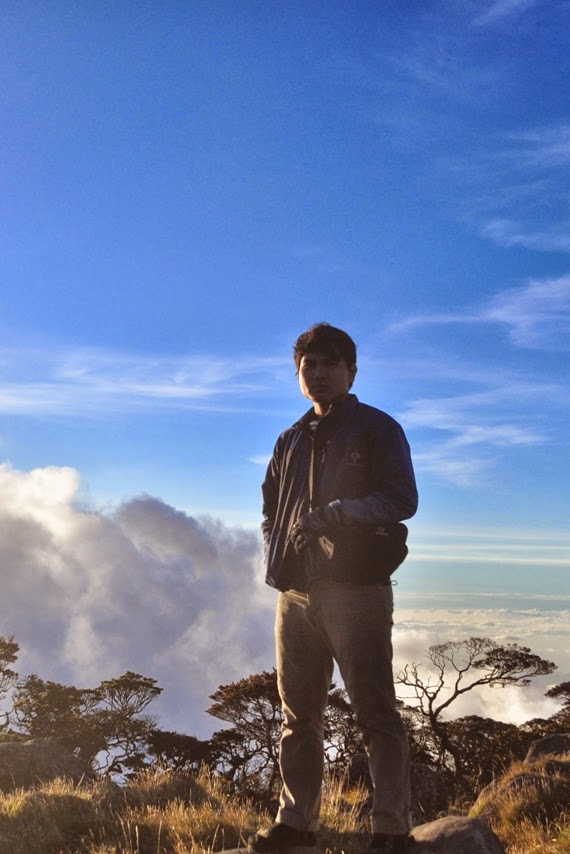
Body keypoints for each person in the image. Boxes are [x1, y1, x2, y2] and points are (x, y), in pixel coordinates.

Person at [251, 322, 418, 853]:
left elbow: (401, 500)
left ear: (351, 370)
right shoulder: (290, 440)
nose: (318, 374)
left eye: (329, 364)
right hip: (295, 595)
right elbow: (269, 511)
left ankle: (391, 829)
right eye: (309, 366)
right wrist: (274, 557)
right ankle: (296, 823)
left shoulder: (377, 429)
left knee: (375, 713)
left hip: (357, 589)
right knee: (298, 716)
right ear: (299, 374)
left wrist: (342, 514)